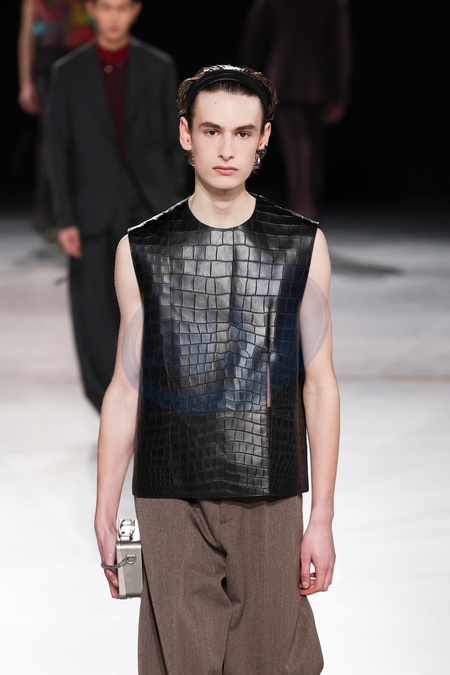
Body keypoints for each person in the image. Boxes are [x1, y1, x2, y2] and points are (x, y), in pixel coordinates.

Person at [94, 64, 340, 674]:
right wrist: (105, 506)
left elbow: (320, 385)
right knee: (182, 663)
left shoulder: (301, 245)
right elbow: (125, 386)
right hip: (168, 488)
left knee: (272, 660)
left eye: (242, 132)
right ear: (186, 134)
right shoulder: (142, 249)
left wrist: (322, 518)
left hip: (270, 483)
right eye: (211, 131)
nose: (227, 149)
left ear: (264, 139)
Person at [46, 0, 187, 413]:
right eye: (106, 7)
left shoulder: (158, 66)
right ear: (91, 9)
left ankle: (150, 409)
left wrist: (174, 201)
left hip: (149, 204)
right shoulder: (68, 72)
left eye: (122, 7)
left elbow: (176, 139)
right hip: (91, 209)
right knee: (94, 316)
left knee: (156, 311)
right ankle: (108, 409)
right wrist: (65, 218)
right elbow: (57, 149)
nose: (114, 17)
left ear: (136, 10)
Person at [240, 0, 352, 220]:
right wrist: (340, 95)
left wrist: (250, 84)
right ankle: (307, 212)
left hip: (284, 79)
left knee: (299, 151)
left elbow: (254, 40)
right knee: (310, 153)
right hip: (320, 82)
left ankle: (304, 214)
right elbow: (341, 48)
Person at [17, 0, 95, 241]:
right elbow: (27, 36)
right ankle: (50, 218)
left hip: (85, 60)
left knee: (87, 139)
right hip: (49, 62)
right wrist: (26, 83)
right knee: (52, 141)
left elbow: (103, 24)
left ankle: (88, 213)